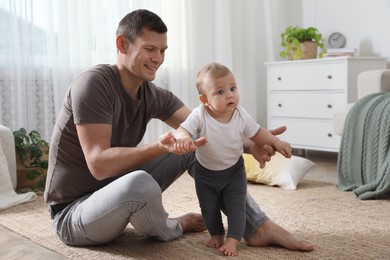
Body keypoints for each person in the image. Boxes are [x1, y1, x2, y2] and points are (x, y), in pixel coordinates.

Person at [44, 9, 314, 252]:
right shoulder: (93, 84)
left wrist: (252, 143)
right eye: (150, 49)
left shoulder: (153, 95)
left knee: (194, 148)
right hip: (73, 214)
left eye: (163, 50)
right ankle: (174, 227)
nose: (158, 58)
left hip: (115, 191)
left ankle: (257, 227)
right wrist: (160, 146)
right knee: (140, 183)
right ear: (122, 44)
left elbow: (207, 128)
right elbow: (98, 165)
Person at [174, 63, 292, 256]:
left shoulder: (240, 114)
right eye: (220, 92)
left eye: (232, 89)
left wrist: (277, 142)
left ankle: (233, 239)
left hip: (233, 172)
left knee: (237, 206)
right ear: (205, 100)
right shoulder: (199, 115)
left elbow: (258, 133)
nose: (229, 95)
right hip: (205, 173)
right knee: (208, 207)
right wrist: (184, 139)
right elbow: (182, 130)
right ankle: (217, 234)